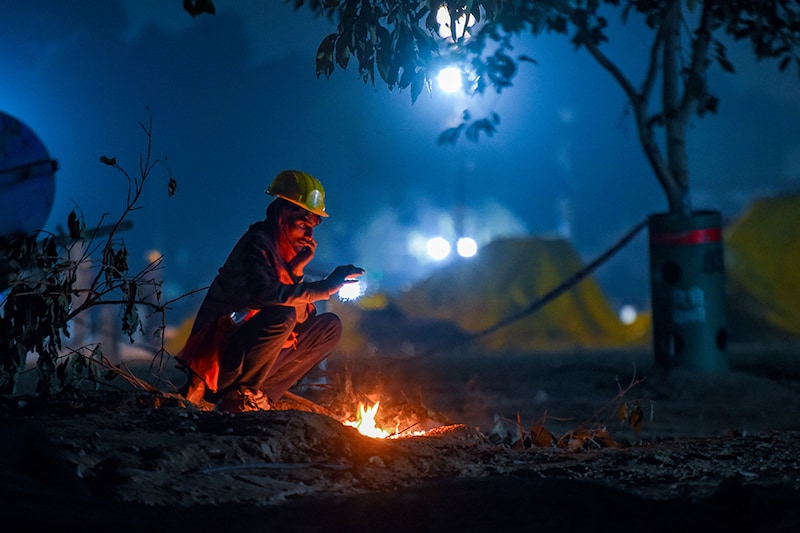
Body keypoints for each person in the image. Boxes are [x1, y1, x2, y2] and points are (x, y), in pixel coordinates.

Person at [176, 170, 364, 413]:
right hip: (222, 358)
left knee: (329, 326)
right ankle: (239, 393)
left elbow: (302, 318)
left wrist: (297, 270)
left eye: (313, 227)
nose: (308, 234)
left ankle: (256, 395)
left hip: (256, 358)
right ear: (281, 216)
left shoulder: (285, 254)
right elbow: (267, 295)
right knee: (280, 315)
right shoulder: (257, 244)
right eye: (303, 223)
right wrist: (324, 287)